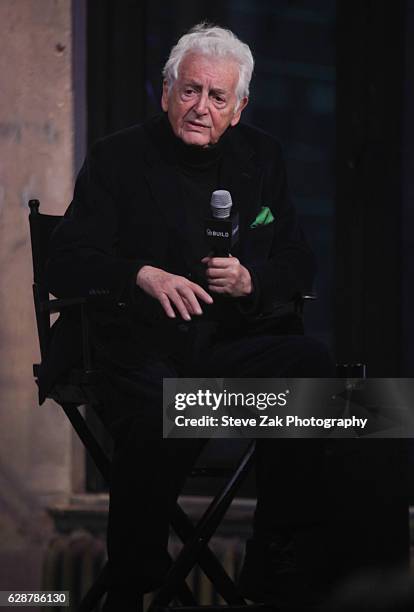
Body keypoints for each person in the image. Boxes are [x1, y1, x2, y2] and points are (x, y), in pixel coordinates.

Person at [41, 22, 395, 612]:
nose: (201, 107)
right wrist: (141, 274)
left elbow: (298, 263)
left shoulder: (263, 157)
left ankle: (278, 559)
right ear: (166, 92)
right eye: (190, 91)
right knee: (167, 401)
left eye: (218, 97)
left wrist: (253, 280)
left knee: (348, 394)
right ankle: (135, 575)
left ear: (239, 108)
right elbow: (66, 263)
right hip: (138, 351)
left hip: (225, 348)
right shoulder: (118, 157)